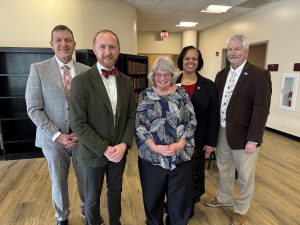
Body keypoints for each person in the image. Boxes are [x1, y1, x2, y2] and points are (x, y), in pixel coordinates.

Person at [69, 29, 136, 225]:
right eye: (103, 47)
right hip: (93, 152)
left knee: (116, 192)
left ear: (119, 50)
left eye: (112, 47)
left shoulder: (126, 81)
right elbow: (78, 122)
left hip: (119, 152)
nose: (108, 51)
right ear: (94, 50)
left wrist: (123, 144)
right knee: (92, 198)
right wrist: (104, 148)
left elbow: (131, 116)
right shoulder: (80, 82)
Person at [204, 34, 272, 225]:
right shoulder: (221, 75)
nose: (233, 53)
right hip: (222, 132)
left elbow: (261, 110)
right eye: (230, 49)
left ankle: (241, 209)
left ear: (246, 51)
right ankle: (224, 198)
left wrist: (254, 138)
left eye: (237, 49)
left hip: (245, 136)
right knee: (223, 168)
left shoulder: (260, 75)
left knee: (244, 175)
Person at [25, 25, 89, 225]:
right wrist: (58, 135)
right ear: (51, 44)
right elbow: (34, 108)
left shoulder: (87, 72)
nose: (64, 44)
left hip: (82, 138)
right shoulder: (38, 69)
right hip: (52, 139)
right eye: (59, 40)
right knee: (58, 182)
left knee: (86, 180)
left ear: (74, 44)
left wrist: (81, 132)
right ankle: (62, 217)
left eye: (68, 40)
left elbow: (93, 108)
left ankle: (89, 212)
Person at [135, 56, 197, 225]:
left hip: (180, 157)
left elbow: (191, 121)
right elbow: (139, 124)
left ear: (173, 75)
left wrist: (181, 144)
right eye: (158, 74)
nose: (162, 78)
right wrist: (153, 147)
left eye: (166, 74)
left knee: (178, 203)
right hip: (151, 158)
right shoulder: (145, 95)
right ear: (153, 75)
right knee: (152, 200)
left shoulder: (181, 93)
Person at [176, 46, 219, 217]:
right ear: (181, 60)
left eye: (194, 58)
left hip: (198, 139)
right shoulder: (171, 81)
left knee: (193, 172)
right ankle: (175, 199)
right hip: (174, 139)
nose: (190, 62)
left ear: (199, 62)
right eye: (187, 58)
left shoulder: (208, 85)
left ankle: (190, 202)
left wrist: (211, 141)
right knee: (176, 172)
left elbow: (213, 114)